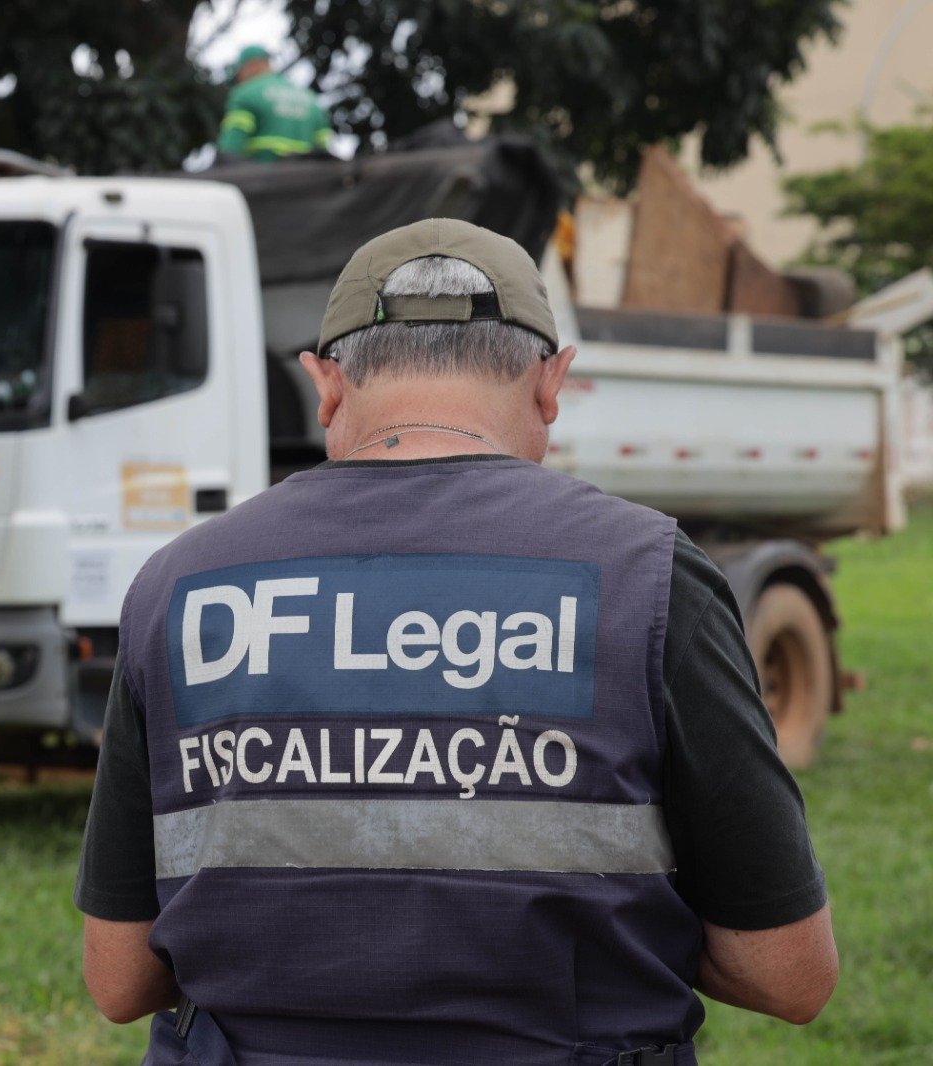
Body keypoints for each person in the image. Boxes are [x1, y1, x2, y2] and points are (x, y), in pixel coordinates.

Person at [75, 219, 837, 1064]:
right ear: (551, 382)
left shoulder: (176, 584)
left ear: (324, 383)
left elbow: (120, 979)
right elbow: (788, 973)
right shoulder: (650, 576)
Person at [216, 45, 332, 163]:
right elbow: (324, 150)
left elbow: (229, 149)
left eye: (239, 74)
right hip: (307, 173)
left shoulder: (245, 94)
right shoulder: (310, 98)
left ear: (253, 65)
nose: (239, 80)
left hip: (262, 172)